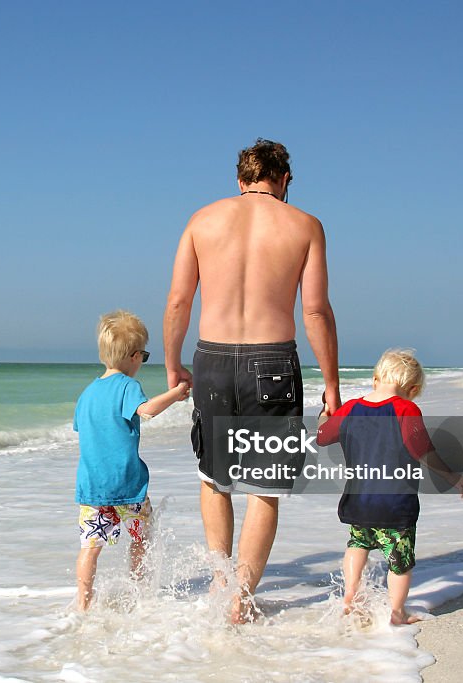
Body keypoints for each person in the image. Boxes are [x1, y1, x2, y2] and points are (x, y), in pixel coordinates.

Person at [163, 138, 341, 622]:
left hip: (213, 361)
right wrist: (332, 385)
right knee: (265, 487)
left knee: (214, 480)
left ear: (240, 181)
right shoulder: (305, 225)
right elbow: (315, 311)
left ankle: (222, 584)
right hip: (274, 363)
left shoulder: (202, 220)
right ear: (284, 180)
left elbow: (179, 301)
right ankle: (241, 598)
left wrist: (174, 364)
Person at [316, 349, 463, 625]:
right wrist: (451, 476)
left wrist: (324, 416)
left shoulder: (351, 408)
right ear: (412, 389)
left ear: (375, 379)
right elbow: (420, 448)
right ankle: (397, 612)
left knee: (357, 543)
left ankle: (351, 594)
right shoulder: (406, 409)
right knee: (400, 561)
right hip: (395, 504)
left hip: (359, 500)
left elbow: (322, 437)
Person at [74, 310, 190, 611]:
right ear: (135, 356)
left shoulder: (86, 395)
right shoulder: (128, 386)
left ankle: (83, 603)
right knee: (141, 537)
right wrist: (176, 393)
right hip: (127, 485)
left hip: (92, 487)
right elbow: (147, 411)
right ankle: (139, 593)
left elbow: (84, 431)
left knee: (90, 547)